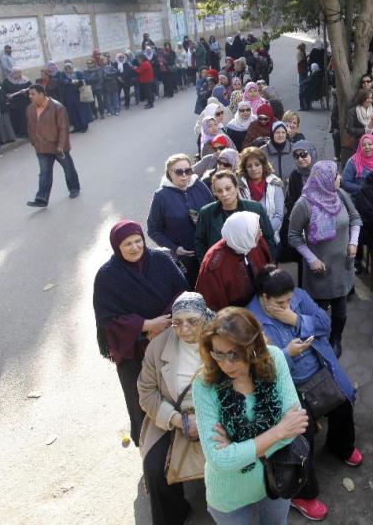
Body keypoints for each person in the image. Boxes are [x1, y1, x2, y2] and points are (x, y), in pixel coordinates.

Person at [247, 266, 363, 521]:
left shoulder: (298, 296)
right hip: (288, 385)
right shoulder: (251, 321)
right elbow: (260, 371)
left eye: (290, 299)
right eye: (281, 302)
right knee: (302, 433)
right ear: (264, 298)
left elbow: (325, 324)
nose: (288, 304)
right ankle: (301, 493)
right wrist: (287, 354)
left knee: (343, 402)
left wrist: (296, 320)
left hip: (319, 368)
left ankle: (340, 446)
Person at [191, 307, 308, 525]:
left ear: (252, 346)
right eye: (218, 354)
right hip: (229, 495)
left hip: (277, 478)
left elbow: (296, 427)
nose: (225, 364)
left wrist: (236, 445)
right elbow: (219, 461)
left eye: (234, 354)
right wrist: (279, 430)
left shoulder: (274, 359)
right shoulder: (204, 384)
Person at [93, 220, 188, 448]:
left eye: (138, 241)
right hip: (134, 352)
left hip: (172, 339)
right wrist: (146, 326)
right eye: (128, 243)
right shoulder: (107, 277)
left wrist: (163, 324)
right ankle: (151, 449)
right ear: (117, 246)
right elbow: (107, 321)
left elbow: (183, 291)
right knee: (142, 403)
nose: (135, 247)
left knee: (179, 395)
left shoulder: (162, 260)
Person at [137, 291, 213, 525]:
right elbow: (146, 392)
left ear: (205, 317)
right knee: (155, 467)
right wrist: (179, 420)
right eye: (177, 322)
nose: (184, 329)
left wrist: (212, 419)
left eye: (192, 321)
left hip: (219, 412)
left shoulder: (224, 335)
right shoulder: (158, 347)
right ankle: (174, 515)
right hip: (173, 415)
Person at [288, 161, 362, 358]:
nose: (339, 178)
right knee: (318, 311)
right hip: (319, 268)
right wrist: (312, 259)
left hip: (342, 266)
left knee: (341, 308)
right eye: (336, 175)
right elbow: (293, 236)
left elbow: (355, 218)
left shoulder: (341, 196)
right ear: (324, 179)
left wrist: (353, 243)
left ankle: (336, 339)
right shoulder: (304, 204)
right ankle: (318, 341)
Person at [147, 153, 215, 287]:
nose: (184, 175)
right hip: (184, 261)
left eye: (188, 171)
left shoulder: (200, 186)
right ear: (170, 173)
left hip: (208, 252)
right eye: (179, 172)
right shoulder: (161, 197)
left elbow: (215, 212)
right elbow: (153, 230)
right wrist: (175, 249)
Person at [196, 211, 274, 311]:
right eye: (256, 231)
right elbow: (213, 305)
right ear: (242, 235)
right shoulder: (215, 264)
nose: (261, 233)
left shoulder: (254, 242)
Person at [194, 171, 276, 262]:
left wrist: (270, 264)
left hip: (253, 264)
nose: (224, 194)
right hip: (222, 267)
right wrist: (208, 266)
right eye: (219, 191)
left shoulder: (255, 208)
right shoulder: (206, 213)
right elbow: (200, 243)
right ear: (215, 193)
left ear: (236, 188)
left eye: (228, 188)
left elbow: (269, 238)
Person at [24, 84, 80, 207]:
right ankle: (42, 198)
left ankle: (74, 188)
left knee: (68, 168)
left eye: (33, 94)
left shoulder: (57, 107)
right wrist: (33, 141)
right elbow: (30, 126)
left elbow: (63, 128)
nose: (30, 97)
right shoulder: (30, 108)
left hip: (58, 147)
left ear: (42, 94)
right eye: (29, 94)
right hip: (41, 147)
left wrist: (61, 146)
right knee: (44, 172)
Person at [237, 147, 285, 242]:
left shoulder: (274, 183)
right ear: (245, 168)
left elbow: (279, 215)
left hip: (270, 238)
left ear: (263, 165)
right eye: (249, 166)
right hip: (246, 239)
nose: (254, 169)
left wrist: (264, 233)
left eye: (257, 164)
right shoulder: (239, 186)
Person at [341, 133, 373, 197]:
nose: (367, 147)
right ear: (360, 147)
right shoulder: (353, 161)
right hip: (361, 198)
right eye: (363, 145)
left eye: (370, 144)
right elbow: (345, 182)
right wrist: (363, 188)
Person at [285, 139, 316, 216]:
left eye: (303, 154)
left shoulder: (321, 172)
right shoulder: (295, 175)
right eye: (296, 156)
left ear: (311, 153)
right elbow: (290, 201)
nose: (300, 159)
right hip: (300, 217)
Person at [56, 62, 89, 133]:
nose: (68, 70)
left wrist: (78, 81)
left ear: (72, 68)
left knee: (81, 110)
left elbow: (84, 79)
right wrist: (70, 81)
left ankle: (84, 126)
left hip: (78, 94)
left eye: (69, 68)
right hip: (68, 96)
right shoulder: (63, 74)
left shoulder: (77, 73)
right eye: (66, 68)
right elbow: (61, 81)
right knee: (72, 111)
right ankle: (77, 126)